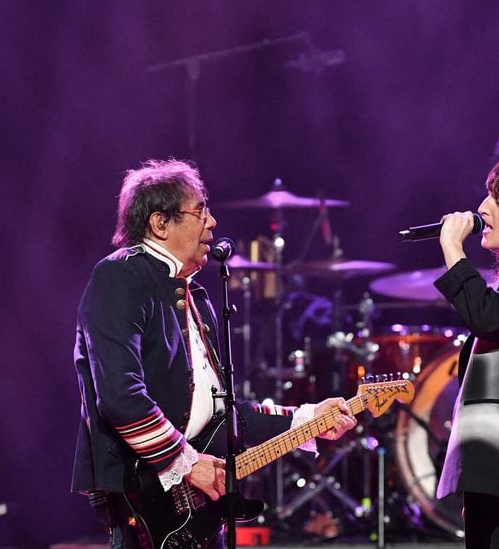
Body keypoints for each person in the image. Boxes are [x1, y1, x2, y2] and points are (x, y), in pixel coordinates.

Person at [71, 158, 357, 549]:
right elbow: (121, 397)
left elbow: (223, 414)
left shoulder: (194, 297)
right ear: (160, 223)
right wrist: (187, 465)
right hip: (145, 494)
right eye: (200, 210)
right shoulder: (120, 277)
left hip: (194, 505)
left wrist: (309, 418)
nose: (212, 223)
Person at [434, 154, 499, 548]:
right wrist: (482, 480)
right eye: (487, 195)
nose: (482, 209)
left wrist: (453, 248)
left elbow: (489, 318)